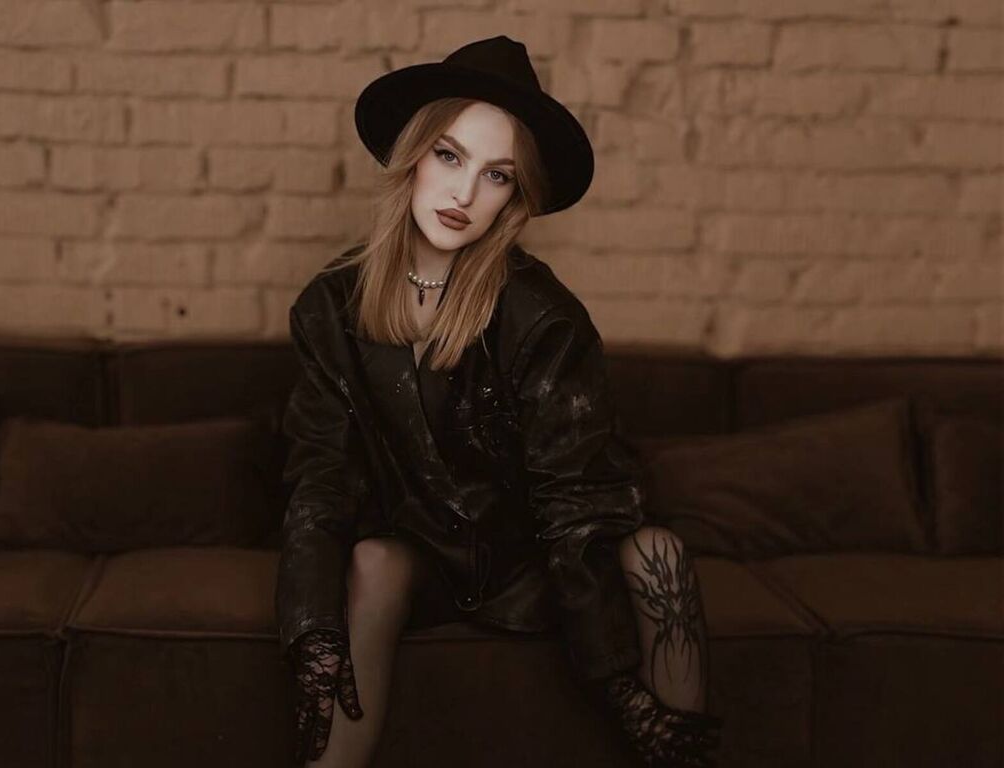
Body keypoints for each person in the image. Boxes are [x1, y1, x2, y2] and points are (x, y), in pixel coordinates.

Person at [275, 35, 723, 768]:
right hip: (420, 554)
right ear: (412, 156)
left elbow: (576, 502)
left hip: (533, 563)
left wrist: (619, 687)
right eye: (449, 156)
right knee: (374, 561)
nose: (464, 195)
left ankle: (681, 754)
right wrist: (312, 631)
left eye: (497, 176)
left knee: (658, 554)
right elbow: (320, 475)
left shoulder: (542, 314)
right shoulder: (330, 306)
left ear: (516, 196)